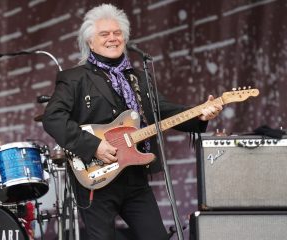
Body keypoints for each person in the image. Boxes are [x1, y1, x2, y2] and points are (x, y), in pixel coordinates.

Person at [42, 4, 222, 240]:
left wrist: (199, 113)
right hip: (96, 176)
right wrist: (94, 145)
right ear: (90, 42)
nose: (113, 38)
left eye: (117, 33)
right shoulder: (75, 78)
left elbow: (163, 112)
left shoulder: (137, 78)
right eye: (104, 34)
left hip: (134, 176)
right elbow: (53, 118)